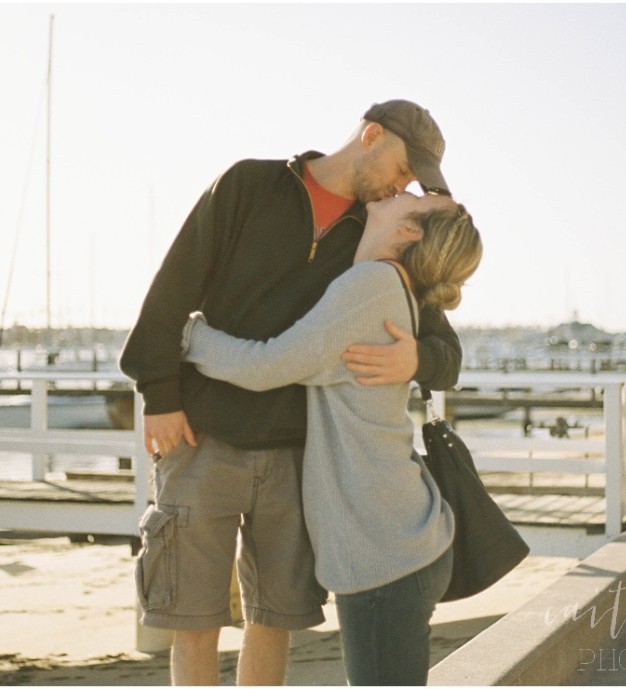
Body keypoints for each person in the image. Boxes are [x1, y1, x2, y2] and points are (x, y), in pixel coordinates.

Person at [120, 100, 463, 685]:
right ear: (371, 135)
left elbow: (445, 351)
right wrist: (160, 395)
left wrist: (417, 357)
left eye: (411, 182)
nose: (402, 185)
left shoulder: (378, 236)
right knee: (193, 620)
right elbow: (173, 284)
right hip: (202, 435)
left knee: (272, 619)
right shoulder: (250, 184)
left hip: (297, 458)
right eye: (404, 168)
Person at [181, 193, 482, 685]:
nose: (392, 193)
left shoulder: (371, 284)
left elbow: (266, 364)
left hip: (385, 553)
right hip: (403, 538)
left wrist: (187, 334)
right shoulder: (394, 287)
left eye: (409, 198)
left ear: (409, 232)